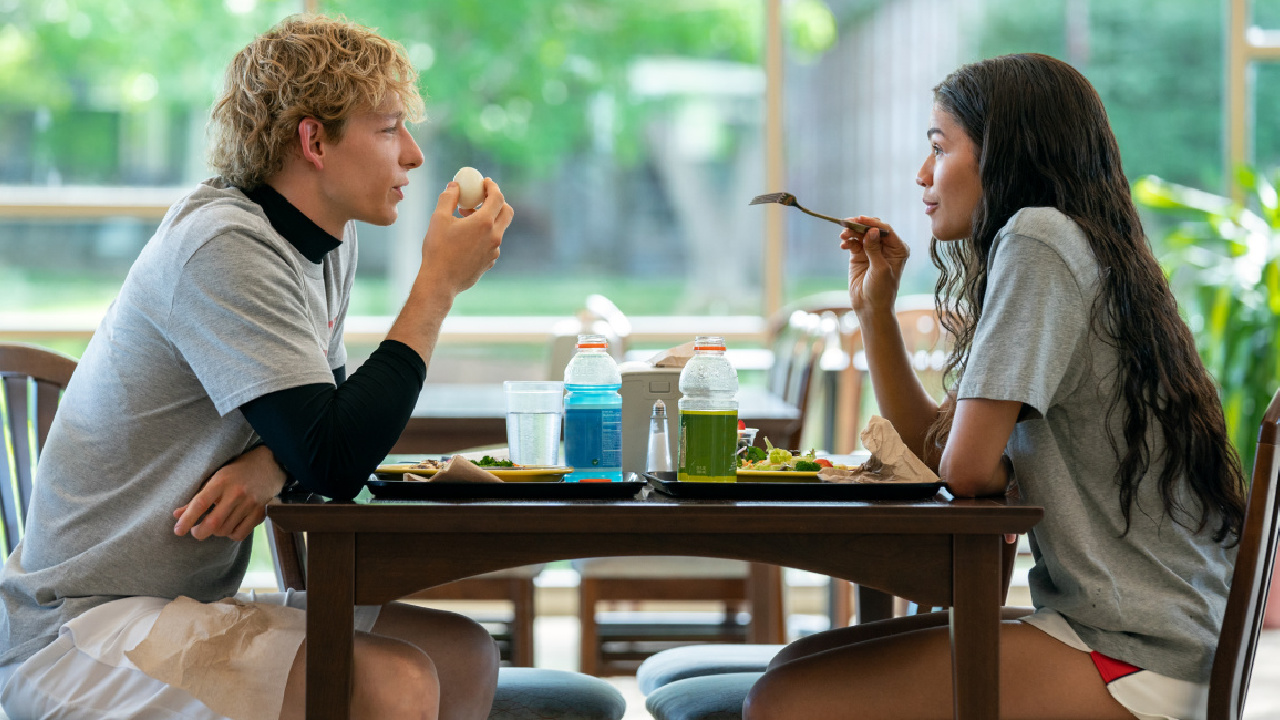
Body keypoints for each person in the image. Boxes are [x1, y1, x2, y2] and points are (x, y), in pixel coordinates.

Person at [0, 14, 513, 720]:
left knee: (465, 654)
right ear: (313, 141)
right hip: (79, 630)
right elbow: (335, 458)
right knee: (394, 684)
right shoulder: (223, 246)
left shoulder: (324, 242)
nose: (415, 155)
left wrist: (272, 462)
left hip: (181, 604)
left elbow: (321, 423)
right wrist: (436, 288)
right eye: (390, 128)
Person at [744, 53, 1246, 720]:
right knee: (792, 666)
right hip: (1145, 635)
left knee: (784, 700)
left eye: (939, 147)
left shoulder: (1038, 241)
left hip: (1139, 654)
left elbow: (968, 470)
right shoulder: (1069, 244)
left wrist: (965, 457)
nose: (923, 175)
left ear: (1004, 153)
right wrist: (876, 313)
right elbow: (938, 453)